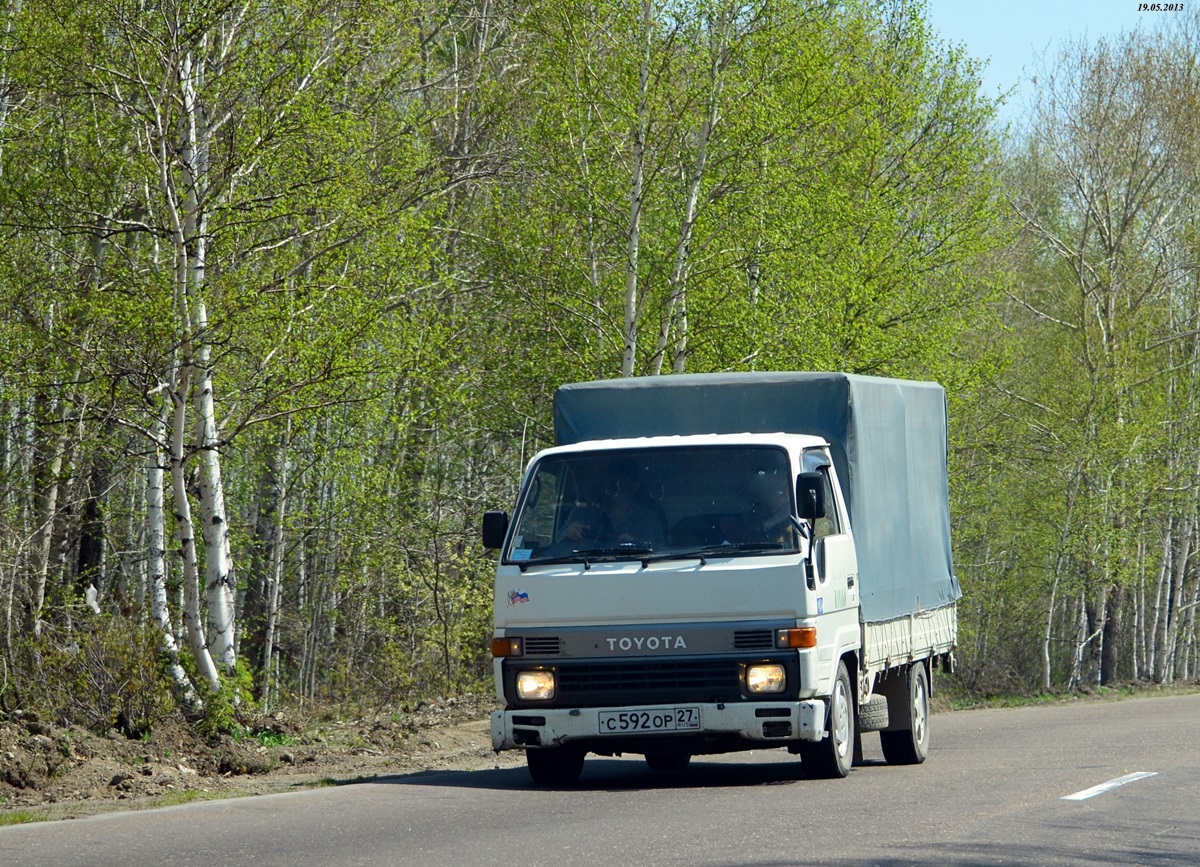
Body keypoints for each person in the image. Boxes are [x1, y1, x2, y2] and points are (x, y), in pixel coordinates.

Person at [559, 459, 663, 548]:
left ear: (635, 486)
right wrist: (569, 532)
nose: (613, 482)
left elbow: (657, 552)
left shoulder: (648, 518)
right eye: (611, 475)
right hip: (584, 567)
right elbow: (556, 544)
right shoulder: (583, 512)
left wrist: (634, 543)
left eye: (622, 477)